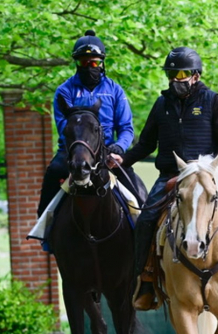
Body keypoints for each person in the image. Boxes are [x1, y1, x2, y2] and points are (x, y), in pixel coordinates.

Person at [109, 47, 218, 311]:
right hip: (172, 176)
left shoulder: (212, 100)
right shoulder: (161, 104)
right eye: (171, 73)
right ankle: (147, 281)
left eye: (182, 73)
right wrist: (122, 160)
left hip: (207, 173)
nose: (176, 79)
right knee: (146, 221)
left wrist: (214, 167)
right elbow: (147, 143)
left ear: (195, 76)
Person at [37, 30, 147, 219]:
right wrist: (81, 147)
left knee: (135, 190)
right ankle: (44, 227)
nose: (89, 66)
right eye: (83, 62)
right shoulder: (64, 91)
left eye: (94, 62)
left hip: (107, 152)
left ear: (102, 63)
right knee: (53, 172)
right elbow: (64, 126)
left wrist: (119, 147)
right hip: (72, 150)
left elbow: (126, 128)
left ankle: (142, 228)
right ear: (77, 63)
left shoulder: (115, 91)